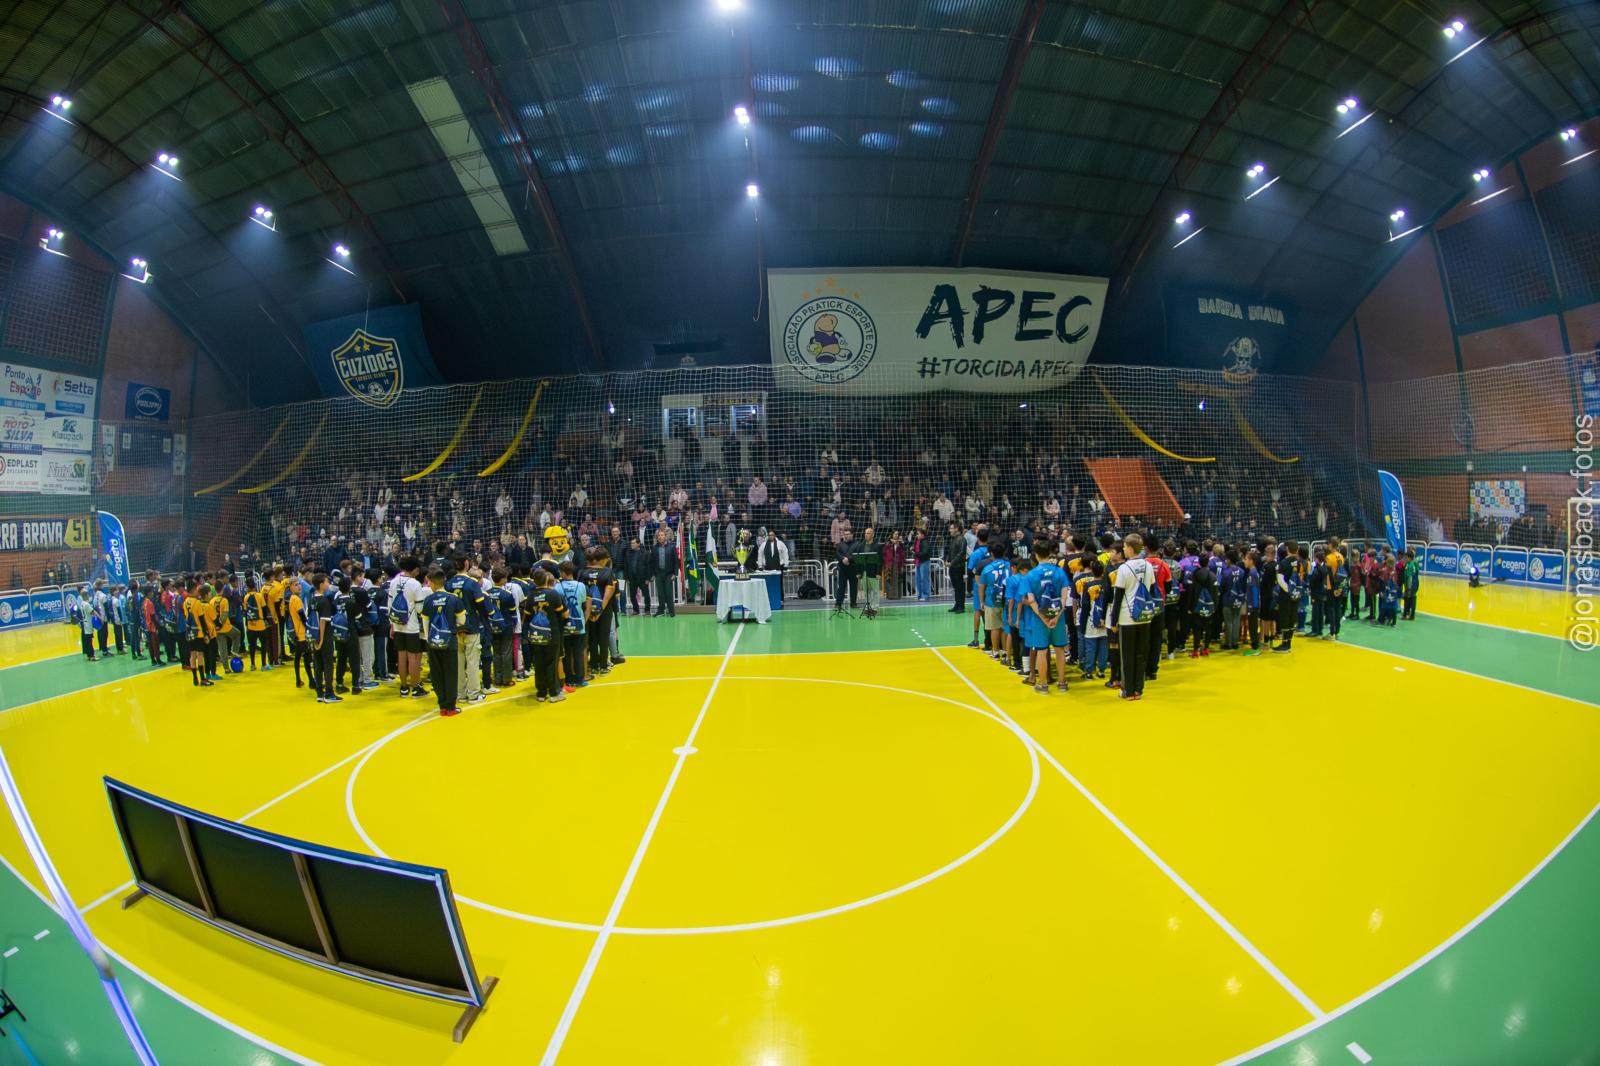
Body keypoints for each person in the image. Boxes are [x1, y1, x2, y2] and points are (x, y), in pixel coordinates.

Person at [1108, 533, 1156, 701]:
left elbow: (1118, 596)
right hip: (1144, 615)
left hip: (1127, 616)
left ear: (1129, 548)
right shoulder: (1148, 566)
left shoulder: (1123, 568)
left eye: (1124, 548)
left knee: (1127, 654)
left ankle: (1127, 691)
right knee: (1141, 653)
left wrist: (1113, 621)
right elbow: (1152, 587)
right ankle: (1138, 689)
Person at [418, 567, 467, 716]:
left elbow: (425, 624)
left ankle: (442, 706)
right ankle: (451, 707)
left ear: (432, 583)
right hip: (450, 641)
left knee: (437, 674)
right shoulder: (454, 599)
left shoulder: (428, 600)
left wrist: (429, 639)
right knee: (450, 673)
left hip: (433, 642)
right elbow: (462, 620)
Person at [1024, 543, 1071, 693]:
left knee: (1041, 651)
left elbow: (1031, 601)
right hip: (1058, 616)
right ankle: (1062, 683)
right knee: (1059, 650)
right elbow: (1064, 599)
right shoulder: (1059, 571)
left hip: (1040, 619)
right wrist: (1056, 617)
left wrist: (1044, 619)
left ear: (1036, 555)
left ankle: (1043, 685)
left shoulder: (1031, 575)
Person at [445, 555, 489, 702]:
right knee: (472, 661)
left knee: (457, 662)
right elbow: (481, 604)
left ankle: (460, 694)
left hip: (454, 628)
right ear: (466, 563)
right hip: (471, 626)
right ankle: (474, 694)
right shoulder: (472, 583)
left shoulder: (449, 583)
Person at [525, 569, 569, 702]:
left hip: (535, 633)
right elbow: (564, 614)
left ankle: (541, 693)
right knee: (552, 662)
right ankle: (554, 693)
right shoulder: (553, 594)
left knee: (538, 663)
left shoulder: (530, 596)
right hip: (552, 633)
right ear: (546, 580)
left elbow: (526, 617)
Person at [388, 557, 429, 699]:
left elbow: (390, 605)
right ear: (414, 569)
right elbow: (420, 608)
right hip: (411, 626)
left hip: (397, 624)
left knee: (401, 656)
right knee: (413, 657)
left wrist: (392, 624)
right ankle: (416, 686)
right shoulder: (415, 584)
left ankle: (403, 687)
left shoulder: (394, 582)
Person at [556, 560, 589, 690]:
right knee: (578, 652)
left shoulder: (558, 587)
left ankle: (569, 679)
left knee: (566, 653)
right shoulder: (581, 586)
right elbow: (583, 603)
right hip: (578, 623)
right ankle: (580, 678)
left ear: (563, 573)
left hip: (564, 624)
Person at [309, 573, 339, 703]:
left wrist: (315, 639)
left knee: (318, 664)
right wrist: (321, 639)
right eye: (327, 582)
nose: (328, 584)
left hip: (313, 635)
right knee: (328, 663)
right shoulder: (324, 601)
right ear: (321, 584)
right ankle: (329, 693)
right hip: (324, 636)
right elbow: (323, 621)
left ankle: (319, 693)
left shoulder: (311, 600)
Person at [650, 529, 679, 617]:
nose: (660, 537)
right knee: (661, 593)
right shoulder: (654, 548)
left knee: (669, 593)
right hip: (658, 574)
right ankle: (661, 610)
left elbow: (676, 561)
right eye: (658, 536)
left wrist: (675, 573)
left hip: (669, 574)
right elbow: (652, 562)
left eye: (662, 535)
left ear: (665, 536)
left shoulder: (672, 547)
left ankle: (671, 610)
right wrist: (653, 574)